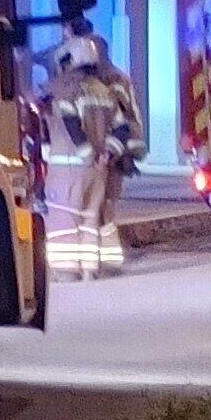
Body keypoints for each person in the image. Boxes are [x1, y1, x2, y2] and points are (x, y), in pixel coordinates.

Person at [42, 15, 142, 277]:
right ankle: (91, 268)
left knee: (64, 220)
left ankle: (66, 270)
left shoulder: (65, 90)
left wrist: (87, 153)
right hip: (101, 168)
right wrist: (107, 153)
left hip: (69, 170)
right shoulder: (105, 89)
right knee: (91, 219)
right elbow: (122, 125)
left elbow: (70, 124)